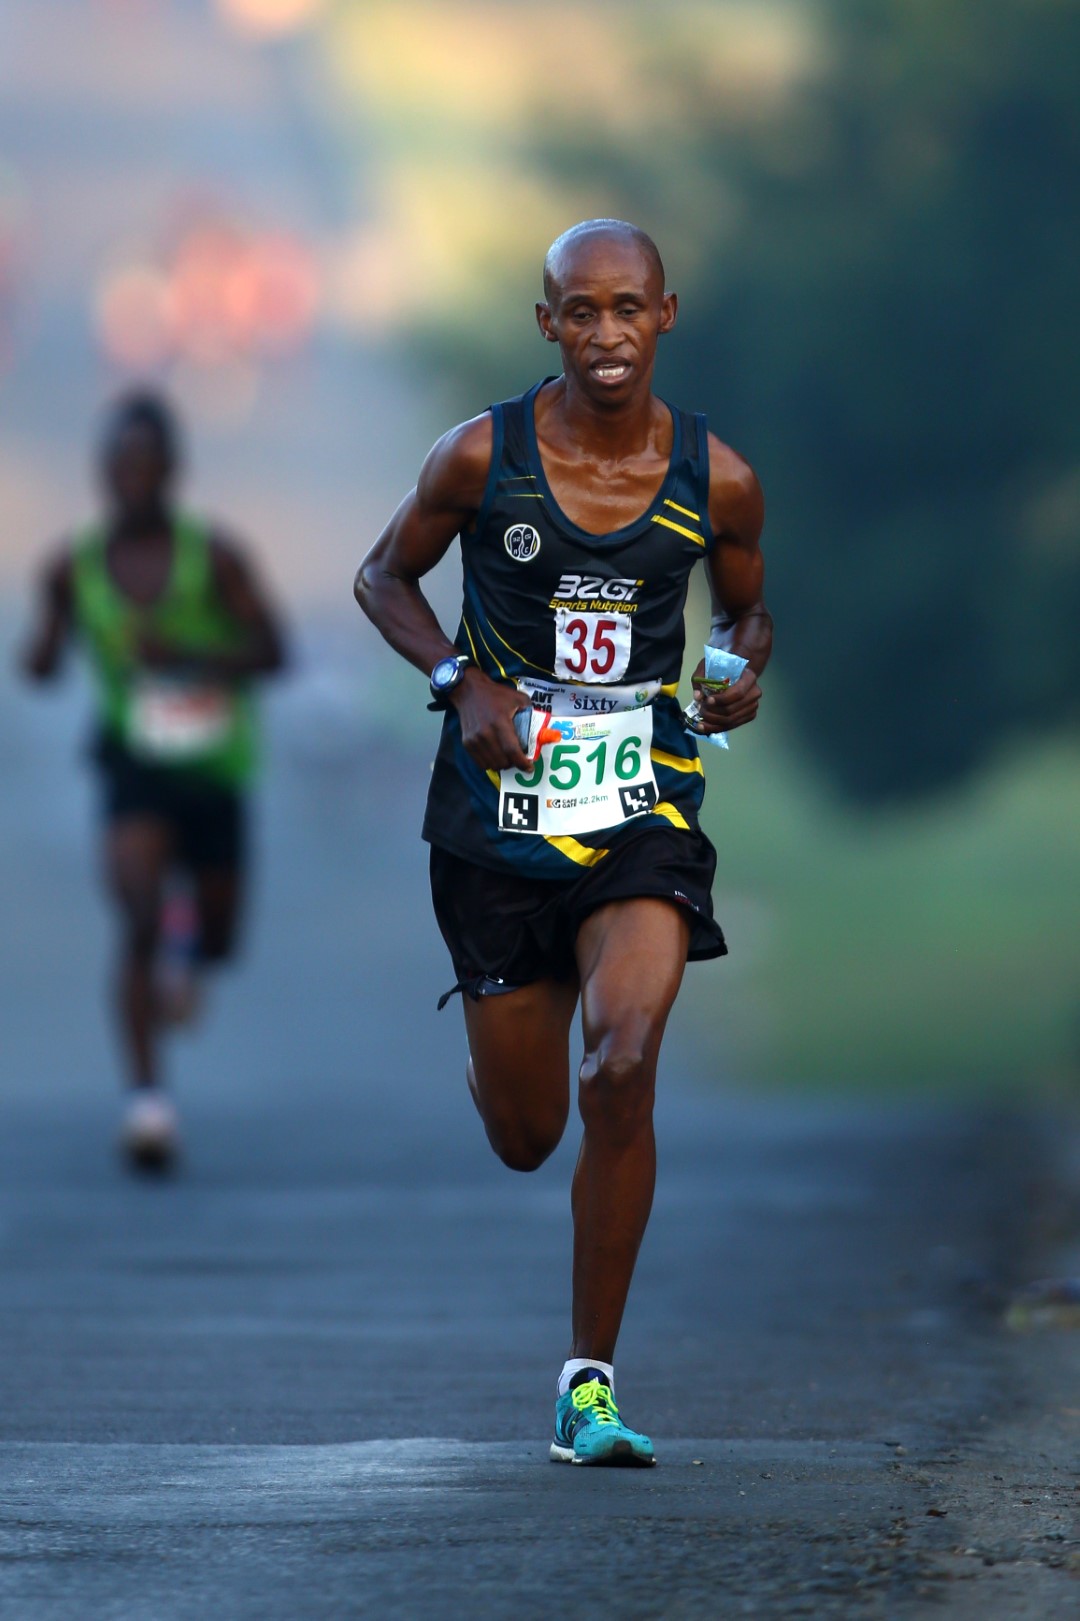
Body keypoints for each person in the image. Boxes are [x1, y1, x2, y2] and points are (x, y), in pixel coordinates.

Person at [355, 219, 771, 1466]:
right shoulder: (481, 456)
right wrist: (459, 682)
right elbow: (382, 577)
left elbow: (747, 610)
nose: (606, 334)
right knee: (529, 1134)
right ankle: (500, 1060)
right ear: (547, 324)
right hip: (498, 825)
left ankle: (588, 1382)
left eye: (627, 308)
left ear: (666, 315)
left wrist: (735, 667)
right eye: (580, 311)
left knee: (623, 1062)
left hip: (641, 810)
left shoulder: (719, 479)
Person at [21, 391, 286, 1170]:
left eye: (147, 464)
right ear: (103, 472)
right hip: (132, 759)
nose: (132, 477)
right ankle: (147, 1104)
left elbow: (273, 651)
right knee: (135, 911)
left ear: (173, 470)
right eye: (120, 464)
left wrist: (192, 658)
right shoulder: (73, 565)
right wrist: (46, 644)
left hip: (214, 764)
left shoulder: (216, 557)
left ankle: (188, 950)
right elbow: (41, 661)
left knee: (220, 936)